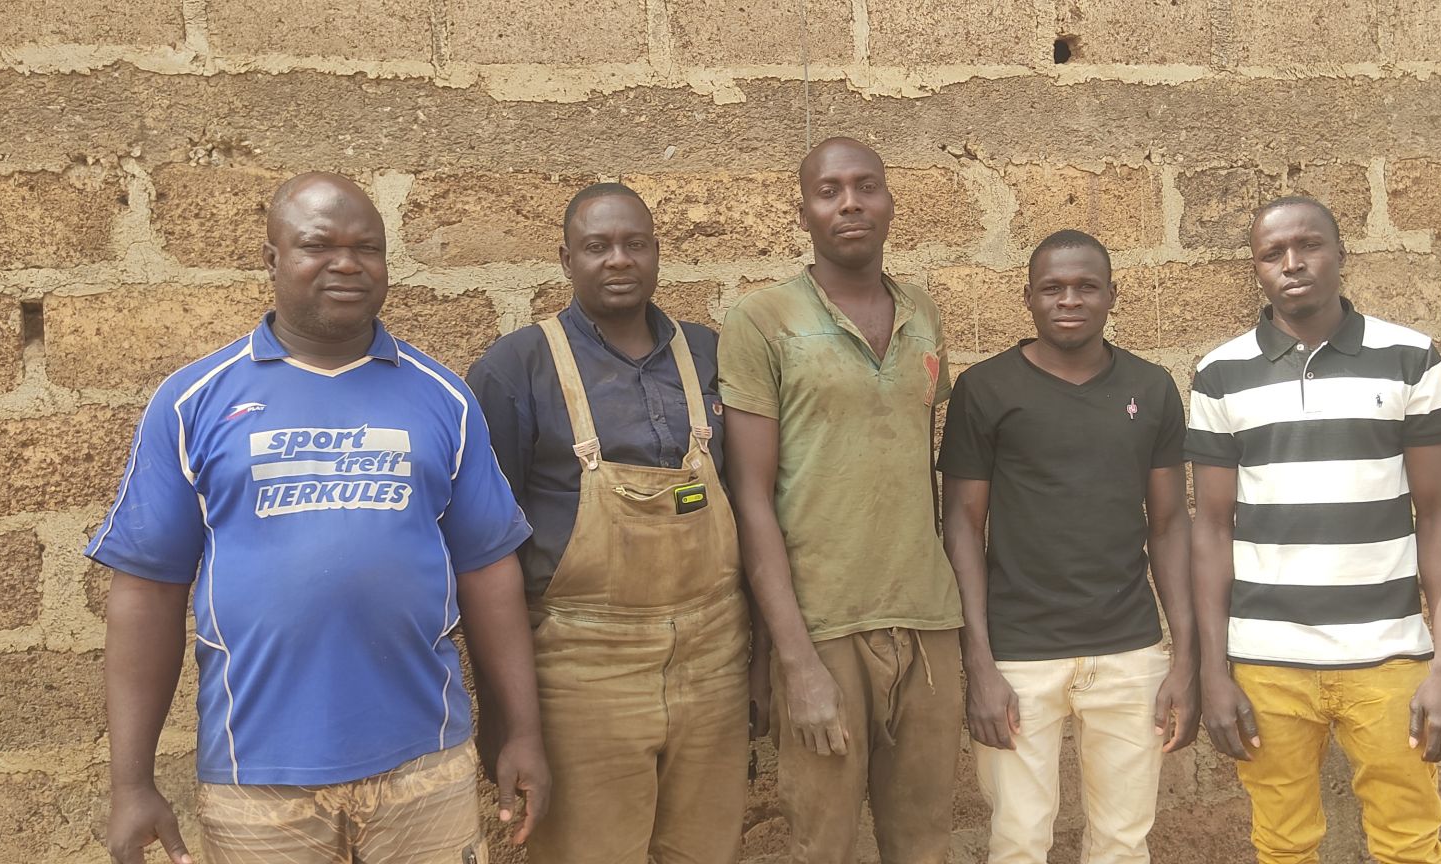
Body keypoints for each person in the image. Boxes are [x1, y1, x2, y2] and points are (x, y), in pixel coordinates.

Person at [90, 172, 549, 864]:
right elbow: (146, 594)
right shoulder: (194, 403)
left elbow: (489, 574)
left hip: (424, 768)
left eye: (367, 248)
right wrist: (131, 783)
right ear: (272, 258)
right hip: (257, 782)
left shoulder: (443, 398)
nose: (347, 263)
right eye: (318, 245)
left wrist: (522, 731)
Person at [466, 182, 751, 864]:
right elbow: (484, 554)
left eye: (634, 244)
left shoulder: (707, 355)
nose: (618, 259)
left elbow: (750, 502)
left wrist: (760, 660)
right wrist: (504, 715)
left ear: (656, 253)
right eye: (597, 247)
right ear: (567, 259)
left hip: (713, 657)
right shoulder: (516, 368)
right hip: (582, 668)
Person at [1187, 196, 1441, 864]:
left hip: (1389, 658)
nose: (1292, 263)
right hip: (1266, 664)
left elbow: (1438, 516)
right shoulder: (1220, 375)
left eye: (1308, 245)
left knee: (1410, 843)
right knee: (1283, 845)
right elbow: (1211, 529)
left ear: (1341, 253)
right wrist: (1213, 672)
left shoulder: (1411, 359)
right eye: (1272, 253)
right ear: (1257, 268)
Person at [720, 136, 965, 864]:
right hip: (823, 629)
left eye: (865, 187)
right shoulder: (763, 320)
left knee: (924, 842)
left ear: (889, 203)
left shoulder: (922, 312)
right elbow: (751, 500)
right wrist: (794, 660)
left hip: (926, 622)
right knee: (820, 843)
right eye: (829, 192)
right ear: (804, 213)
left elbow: (917, 463)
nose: (850, 203)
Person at [940, 229, 1199, 864]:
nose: (1070, 300)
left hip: (1130, 651)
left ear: (1112, 295)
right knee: (1018, 841)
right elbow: (962, 526)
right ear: (1027, 297)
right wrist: (979, 663)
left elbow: (1169, 525)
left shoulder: (1152, 387)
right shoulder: (986, 389)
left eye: (1087, 286)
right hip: (1019, 657)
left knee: (1122, 843)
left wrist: (1184, 659)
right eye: (1052, 288)